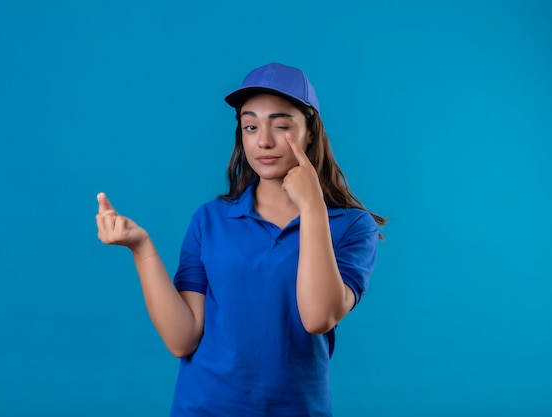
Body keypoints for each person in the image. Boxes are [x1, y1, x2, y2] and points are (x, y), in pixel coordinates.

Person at [95, 63, 386, 416]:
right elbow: (182, 339)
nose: (263, 140)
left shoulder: (352, 227)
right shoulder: (210, 219)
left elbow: (318, 317)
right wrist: (141, 248)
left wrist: (312, 209)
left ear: (310, 132)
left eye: (281, 126)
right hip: (202, 407)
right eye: (250, 126)